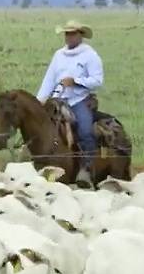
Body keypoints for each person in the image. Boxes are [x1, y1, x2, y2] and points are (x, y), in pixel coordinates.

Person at [36, 20, 103, 188]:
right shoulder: (59, 55)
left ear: (80, 35)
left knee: (85, 130)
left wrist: (75, 81)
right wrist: (40, 100)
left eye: (72, 33)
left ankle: (86, 169)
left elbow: (97, 80)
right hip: (57, 99)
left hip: (78, 100)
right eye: (67, 33)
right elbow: (49, 79)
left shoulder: (90, 55)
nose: (69, 37)